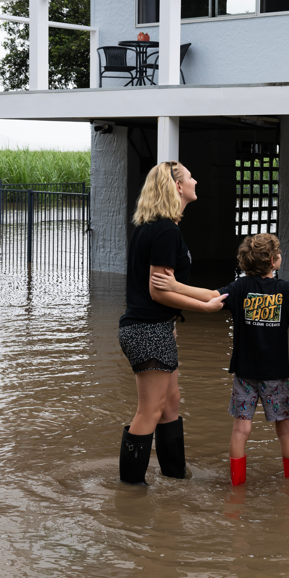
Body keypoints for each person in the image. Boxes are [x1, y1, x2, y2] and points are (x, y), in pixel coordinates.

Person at [117, 160, 227, 486]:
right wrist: (204, 309)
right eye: (191, 177)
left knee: (171, 403)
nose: (196, 180)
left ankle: (175, 477)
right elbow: (159, 290)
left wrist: (208, 295)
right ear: (178, 187)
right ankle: (131, 489)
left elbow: (170, 284)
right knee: (149, 410)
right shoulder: (165, 229)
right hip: (148, 330)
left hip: (154, 327)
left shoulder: (155, 227)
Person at [212, 233, 289, 485]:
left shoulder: (239, 287)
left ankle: (237, 486)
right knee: (284, 428)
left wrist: (174, 289)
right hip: (275, 374)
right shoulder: (285, 289)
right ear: (274, 260)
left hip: (244, 373)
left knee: (240, 430)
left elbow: (211, 296)